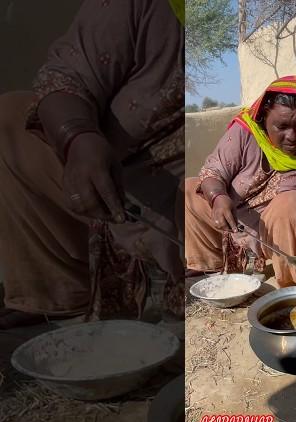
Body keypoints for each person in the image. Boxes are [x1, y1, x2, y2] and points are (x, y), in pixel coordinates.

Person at [0, 0, 185, 328]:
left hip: (181, 213)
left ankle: (164, 291)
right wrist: (77, 137)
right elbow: (66, 76)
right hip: (112, 176)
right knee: (8, 117)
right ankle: (61, 294)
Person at [185, 76, 296, 287]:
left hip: (291, 233)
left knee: (290, 205)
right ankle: (215, 266)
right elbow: (213, 171)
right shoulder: (246, 133)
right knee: (189, 188)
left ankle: (294, 284)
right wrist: (218, 197)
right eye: (282, 126)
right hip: (239, 226)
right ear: (263, 119)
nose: (293, 136)